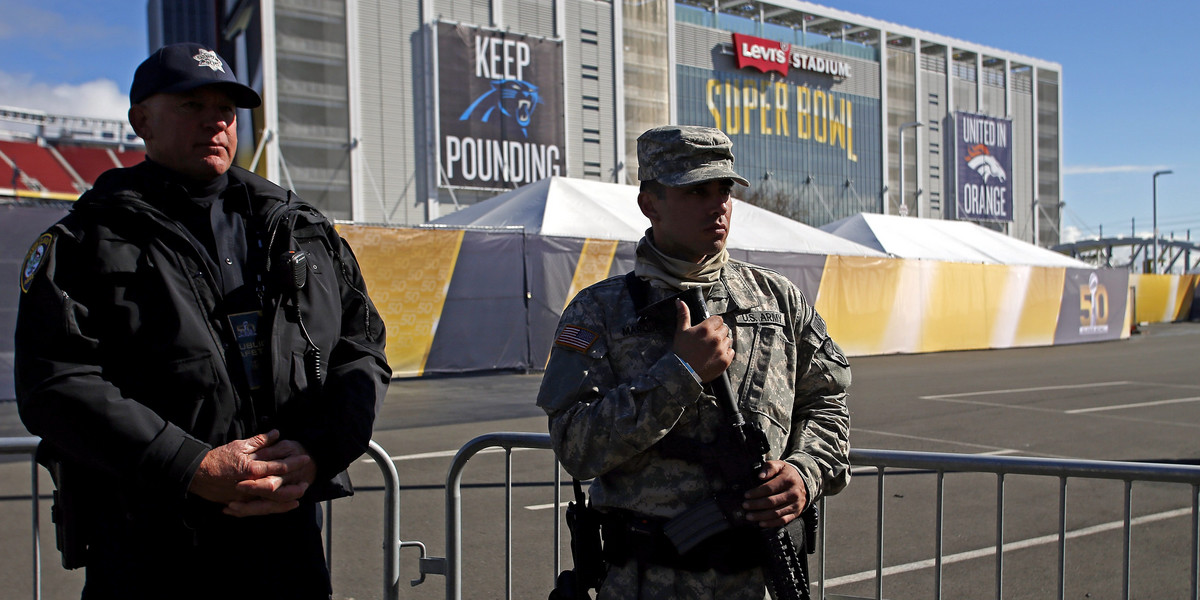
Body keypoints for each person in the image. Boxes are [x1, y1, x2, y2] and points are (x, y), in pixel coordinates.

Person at [14, 43, 390, 600]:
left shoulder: (300, 230)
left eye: (226, 108)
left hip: (285, 541)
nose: (215, 120)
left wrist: (318, 451)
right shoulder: (84, 241)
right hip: (147, 545)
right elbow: (56, 382)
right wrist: (192, 466)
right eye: (192, 104)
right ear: (141, 120)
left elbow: (361, 350)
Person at [537, 125, 851, 599]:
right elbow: (575, 445)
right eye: (696, 190)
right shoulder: (600, 311)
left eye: (724, 189)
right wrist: (677, 376)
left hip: (756, 581)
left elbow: (828, 403)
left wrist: (804, 473)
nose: (718, 204)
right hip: (642, 584)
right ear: (650, 203)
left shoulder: (779, 301)